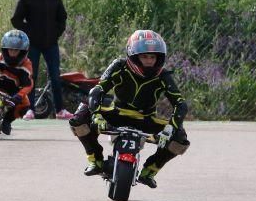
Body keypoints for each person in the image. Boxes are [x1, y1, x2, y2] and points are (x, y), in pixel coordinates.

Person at [68, 30, 190, 189]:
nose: (148, 61)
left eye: (152, 57)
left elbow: (180, 104)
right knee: (79, 118)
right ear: (133, 55)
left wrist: (170, 128)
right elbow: (97, 90)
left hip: (146, 119)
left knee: (180, 138)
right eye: (144, 56)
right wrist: (97, 116)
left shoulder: (163, 75)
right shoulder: (119, 66)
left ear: (159, 58)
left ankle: (150, 171)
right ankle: (95, 160)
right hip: (116, 114)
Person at [10, 0, 72, 120]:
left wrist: (56, 33)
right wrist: (29, 33)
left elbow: (62, 17)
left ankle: (60, 110)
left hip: (51, 43)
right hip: (33, 44)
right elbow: (16, 19)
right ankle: (29, 109)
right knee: (31, 76)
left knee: (55, 76)